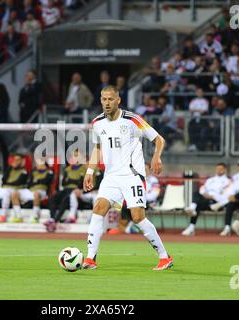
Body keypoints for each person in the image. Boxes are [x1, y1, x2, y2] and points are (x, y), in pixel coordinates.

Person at [82, 85, 172, 271]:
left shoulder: (132, 119)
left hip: (132, 176)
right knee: (98, 209)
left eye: (110, 99)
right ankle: (90, 259)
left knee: (138, 218)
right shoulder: (97, 123)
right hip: (111, 177)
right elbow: (97, 148)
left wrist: (156, 156)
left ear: (118, 100)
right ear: (100, 100)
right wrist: (90, 172)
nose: (107, 103)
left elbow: (159, 139)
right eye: (104, 99)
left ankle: (164, 257)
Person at [109, 163, 161, 235]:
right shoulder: (136, 179)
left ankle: (130, 227)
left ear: (150, 170)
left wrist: (140, 197)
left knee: (135, 207)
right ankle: (128, 226)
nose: (144, 171)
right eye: (142, 169)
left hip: (149, 203)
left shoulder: (153, 180)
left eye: (146, 169)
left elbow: (154, 195)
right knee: (124, 205)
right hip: (134, 201)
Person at [182, 163, 231, 236]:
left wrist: (213, 196)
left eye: (221, 169)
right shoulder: (210, 180)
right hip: (206, 200)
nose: (219, 170)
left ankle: (191, 221)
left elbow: (226, 195)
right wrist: (205, 194)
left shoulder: (228, 181)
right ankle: (191, 225)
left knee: (197, 203)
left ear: (224, 170)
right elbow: (202, 188)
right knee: (197, 194)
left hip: (217, 203)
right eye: (217, 169)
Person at [45, 150, 86, 231]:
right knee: (53, 197)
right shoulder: (68, 169)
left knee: (65, 199)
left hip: (76, 191)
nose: (73, 158)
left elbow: (81, 183)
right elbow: (64, 183)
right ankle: (52, 218)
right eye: (73, 156)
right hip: (66, 189)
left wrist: (73, 182)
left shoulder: (83, 169)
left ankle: (55, 221)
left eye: (76, 156)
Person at [210, 159, 239, 236]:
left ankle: (221, 203)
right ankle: (227, 227)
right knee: (230, 205)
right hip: (236, 199)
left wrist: (235, 196)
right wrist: (231, 196)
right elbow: (231, 188)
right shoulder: (235, 177)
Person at [10, 158, 54, 223]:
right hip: (31, 190)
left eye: (39, 163)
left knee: (36, 193)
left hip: (42, 191)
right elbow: (30, 183)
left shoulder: (49, 172)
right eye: (37, 163)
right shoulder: (34, 172)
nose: (37, 165)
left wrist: (37, 181)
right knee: (15, 193)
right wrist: (37, 182)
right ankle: (18, 216)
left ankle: (35, 216)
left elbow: (46, 182)